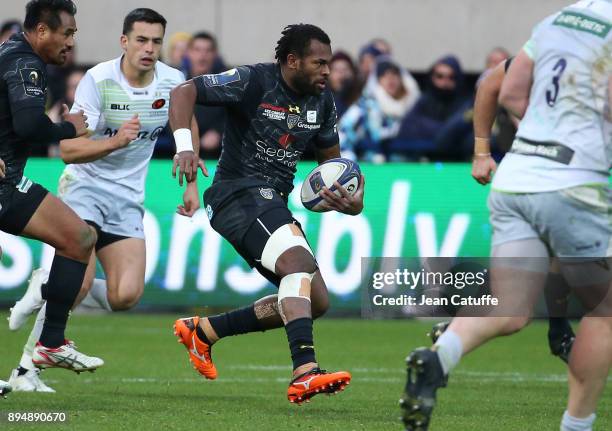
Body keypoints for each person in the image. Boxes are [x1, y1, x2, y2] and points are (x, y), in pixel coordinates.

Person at [401, 1, 612, 430]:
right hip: (571, 180)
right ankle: (577, 425)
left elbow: (506, 89)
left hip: (516, 175)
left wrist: (508, 142)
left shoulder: (556, 21)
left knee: (509, 310)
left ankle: (439, 358)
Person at [7, 7, 202, 393]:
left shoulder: (173, 81)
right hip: (86, 187)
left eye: (156, 41)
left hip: (128, 197)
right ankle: (27, 372)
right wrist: (115, 140)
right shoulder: (99, 79)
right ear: (124, 41)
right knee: (77, 277)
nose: (149, 49)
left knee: (125, 295)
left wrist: (191, 181)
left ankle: (47, 283)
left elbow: (187, 120)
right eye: (141, 40)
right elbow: (69, 149)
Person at [169, 23, 365, 404]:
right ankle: (305, 371)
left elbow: (332, 169)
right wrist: (183, 147)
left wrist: (351, 203)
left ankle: (204, 331)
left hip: (272, 201)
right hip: (235, 194)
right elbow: (184, 91)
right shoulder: (253, 81)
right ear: (292, 61)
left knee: (317, 301)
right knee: (297, 265)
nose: (327, 70)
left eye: (329, 63)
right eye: (318, 63)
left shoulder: (322, 103)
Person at [0, 0, 103, 375]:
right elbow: (28, 126)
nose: (71, 42)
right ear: (41, 31)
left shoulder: (11, 53)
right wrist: (67, 128)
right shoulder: (24, 62)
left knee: (78, 238)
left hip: (8, 181)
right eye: (67, 33)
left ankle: (50, 343)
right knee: (79, 238)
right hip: (4, 182)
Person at [340, 56, 420, 162]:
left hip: (405, 165)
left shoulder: (414, 104)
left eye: (394, 74)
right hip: (372, 165)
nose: (390, 79)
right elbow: (342, 136)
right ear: (377, 80)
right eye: (384, 75)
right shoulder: (365, 106)